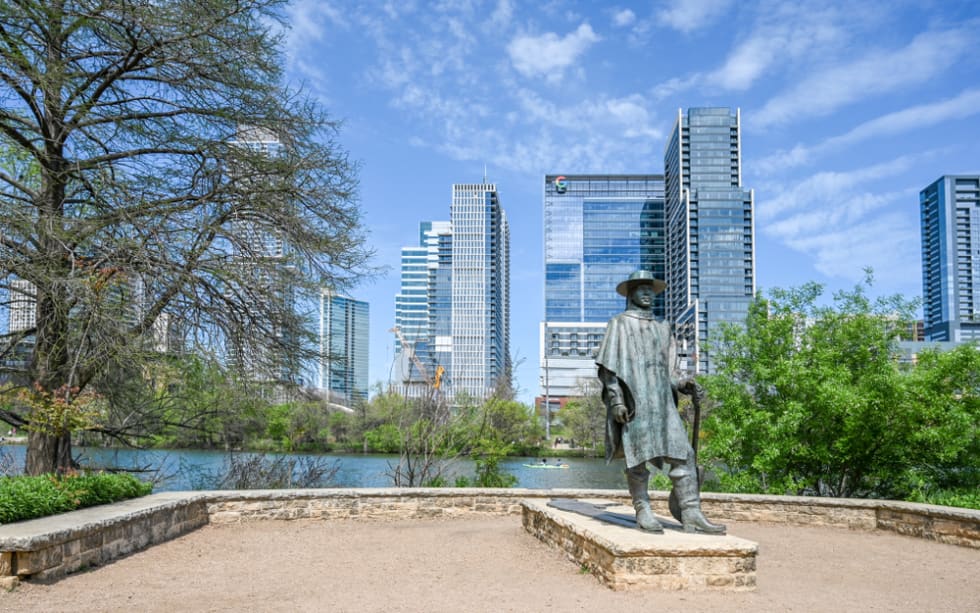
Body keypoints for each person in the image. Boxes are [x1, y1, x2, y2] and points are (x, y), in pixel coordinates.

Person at [596, 270, 725, 535]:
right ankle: (642, 509)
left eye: (651, 290)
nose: (647, 294)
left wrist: (684, 384)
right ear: (631, 293)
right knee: (637, 457)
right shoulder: (619, 324)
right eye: (641, 289)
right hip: (636, 399)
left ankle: (692, 514)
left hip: (662, 403)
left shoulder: (663, 327)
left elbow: (671, 371)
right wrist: (617, 400)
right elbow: (609, 370)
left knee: (684, 455)